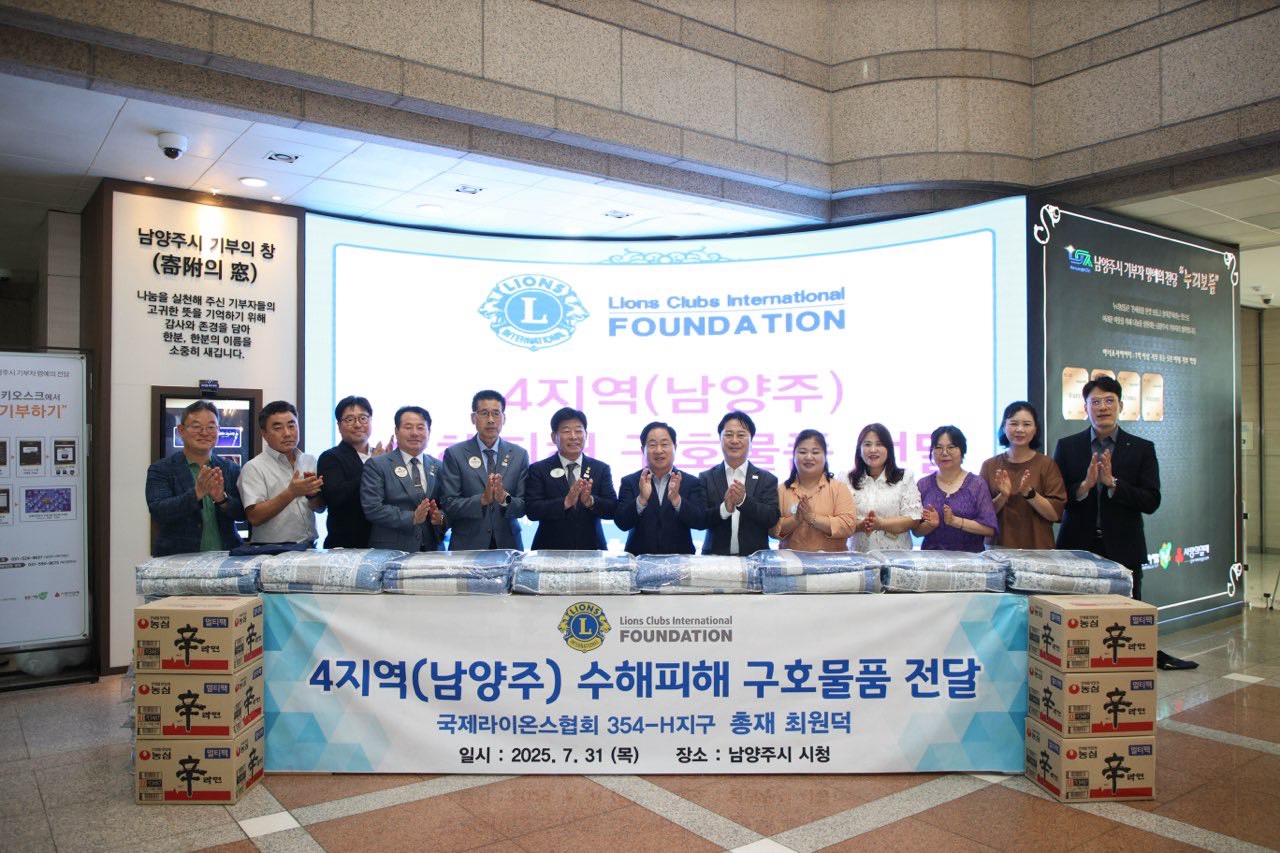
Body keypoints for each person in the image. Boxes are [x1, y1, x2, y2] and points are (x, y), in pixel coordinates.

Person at [1053, 375, 1195, 670]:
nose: (1102, 407)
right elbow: (1059, 498)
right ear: (1085, 407)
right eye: (1095, 402)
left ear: (1120, 405)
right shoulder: (1068, 446)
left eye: (1109, 401)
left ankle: (1131, 670)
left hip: (1123, 548)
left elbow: (1151, 500)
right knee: (1075, 618)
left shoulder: (1142, 448)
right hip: (1076, 548)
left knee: (1128, 618)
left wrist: (1113, 483)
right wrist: (1085, 486)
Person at [145, 400, 245, 555]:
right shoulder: (161, 469)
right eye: (196, 426)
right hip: (178, 558)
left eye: (211, 427)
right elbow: (159, 512)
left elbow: (243, 514)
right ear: (181, 430)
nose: (204, 432)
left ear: (218, 430)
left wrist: (222, 500)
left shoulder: (231, 468)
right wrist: (196, 494)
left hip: (226, 556)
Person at [440, 390, 528, 550]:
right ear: (473, 418)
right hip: (468, 545)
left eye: (496, 413)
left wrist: (504, 499)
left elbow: (523, 505)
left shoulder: (519, 454)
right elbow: (449, 503)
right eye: (484, 413)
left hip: (508, 544)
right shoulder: (455, 454)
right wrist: (482, 500)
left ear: (504, 418)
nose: (490, 420)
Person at [524, 407, 618, 549]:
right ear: (553, 437)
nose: (574, 436)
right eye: (566, 431)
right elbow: (532, 510)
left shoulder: (600, 469)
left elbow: (612, 509)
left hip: (592, 550)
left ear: (586, 435)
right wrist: (565, 502)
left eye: (579, 431)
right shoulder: (539, 469)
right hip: (549, 551)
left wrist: (590, 501)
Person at [979, 401, 1066, 549]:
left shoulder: (1046, 464)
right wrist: (1003, 496)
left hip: (1038, 549)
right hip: (997, 549)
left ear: (1035, 429)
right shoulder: (989, 465)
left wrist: (1030, 494)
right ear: (1004, 427)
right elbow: (982, 515)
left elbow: (1055, 514)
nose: (1020, 429)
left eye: (1026, 424)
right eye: (1013, 424)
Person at [361, 405, 446, 551]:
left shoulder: (439, 466)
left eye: (420, 428)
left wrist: (441, 518)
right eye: (408, 427)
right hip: (390, 551)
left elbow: (449, 505)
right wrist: (412, 517)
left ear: (429, 432)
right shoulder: (377, 465)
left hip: (432, 551)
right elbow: (372, 508)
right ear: (396, 431)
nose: (415, 433)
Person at [238, 400, 323, 545]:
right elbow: (254, 517)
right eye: (278, 428)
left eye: (291, 426)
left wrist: (313, 496)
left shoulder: (310, 461)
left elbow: (319, 508)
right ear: (264, 434)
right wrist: (291, 492)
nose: (287, 433)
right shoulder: (253, 467)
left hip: (309, 547)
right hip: (271, 551)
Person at [615, 421, 707, 555]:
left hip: (680, 561)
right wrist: (641, 500)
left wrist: (677, 500)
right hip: (639, 561)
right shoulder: (630, 481)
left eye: (664, 444)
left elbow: (700, 521)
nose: (658, 450)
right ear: (642, 450)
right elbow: (621, 523)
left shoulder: (690, 482)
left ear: (675, 447)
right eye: (652, 445)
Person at [698, 411, 779, 556]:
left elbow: (771, 518)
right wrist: (724, 509)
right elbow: (700, 519)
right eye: (728, 435)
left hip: (755, 560)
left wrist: (744, 501)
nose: (734, 440)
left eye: (741, 435)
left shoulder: (767, 479)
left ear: (751, 440)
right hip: (714, 560)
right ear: (720, 439)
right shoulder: (706, 477)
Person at [316, 395, 386, 548]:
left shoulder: (383, 456)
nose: (358, 424)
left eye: (363, 418)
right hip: (345, 545)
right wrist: (371, 466)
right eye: (349, 419)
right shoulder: (330, 457)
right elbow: (337, 496)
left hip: (382, 541)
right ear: (339, 425)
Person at [771, 429, 856, 551]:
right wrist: (795, 520)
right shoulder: (782, 490)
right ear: (794, 457)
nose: (808, 457)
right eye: (802, 452)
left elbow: (848, 526)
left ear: (825, 457)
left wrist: (812, 518)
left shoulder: (839, 488)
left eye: (815, 452)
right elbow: (772, 529)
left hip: (832, 561)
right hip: (791, 561)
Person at [914, 425, 997, 552]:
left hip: (970, 559)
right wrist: (931, 525)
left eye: (951, 447)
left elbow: (989, 529)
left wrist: (956, 521)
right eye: (938, 447)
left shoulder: (977, 484)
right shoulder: (923, 484)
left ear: (962, 451)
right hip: (932, 558)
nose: (944, 453)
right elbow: (916, 532)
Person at [847, 423, 922, 552]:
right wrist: (861, 525)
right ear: (859, 449)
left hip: (897, 558)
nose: (873, 450)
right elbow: (839, 520)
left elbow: (913, 518)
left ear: (889, 448)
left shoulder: (905, 477)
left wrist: (881, 524)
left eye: (879, 444)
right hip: (858, 556)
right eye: (867, 444)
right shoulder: (847, 479)